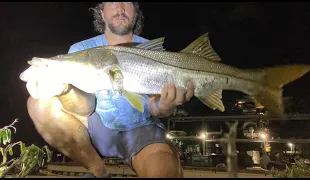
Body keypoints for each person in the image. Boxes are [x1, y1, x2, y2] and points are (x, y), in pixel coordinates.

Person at [24, 2, 194, 178]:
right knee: (38, 103)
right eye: (112, 2)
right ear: (101, 13)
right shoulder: (81, 50)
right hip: (94, 127)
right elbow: (85, 108)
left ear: (135, 13)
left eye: (127, 3)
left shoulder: (152, 50)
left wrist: (165, 105)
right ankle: (97, 170)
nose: (120, 8)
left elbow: (154, 108)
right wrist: (63, 90)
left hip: (141, 127)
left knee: (165, 170)